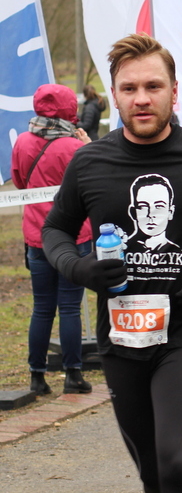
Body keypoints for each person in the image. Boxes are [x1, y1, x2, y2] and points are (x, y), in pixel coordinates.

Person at [41, 33, 182, 492]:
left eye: (153, 86)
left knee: (177, 462)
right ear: (114, 95)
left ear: (173, 91)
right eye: (129, 89)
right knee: (153, 472)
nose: (142, 99)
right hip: (121, 338)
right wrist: (78, 267)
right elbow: (55, 231)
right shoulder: (89, 162)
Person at [12, 84, 93, 396]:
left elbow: (20, 181)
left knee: (42, 307)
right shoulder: (74, 147)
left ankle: (37, 376)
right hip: (74, 237)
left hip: (36, 236)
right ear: (69, 109)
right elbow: (89, 187)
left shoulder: (22, 142)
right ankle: (73, 374)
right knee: (70, 306)